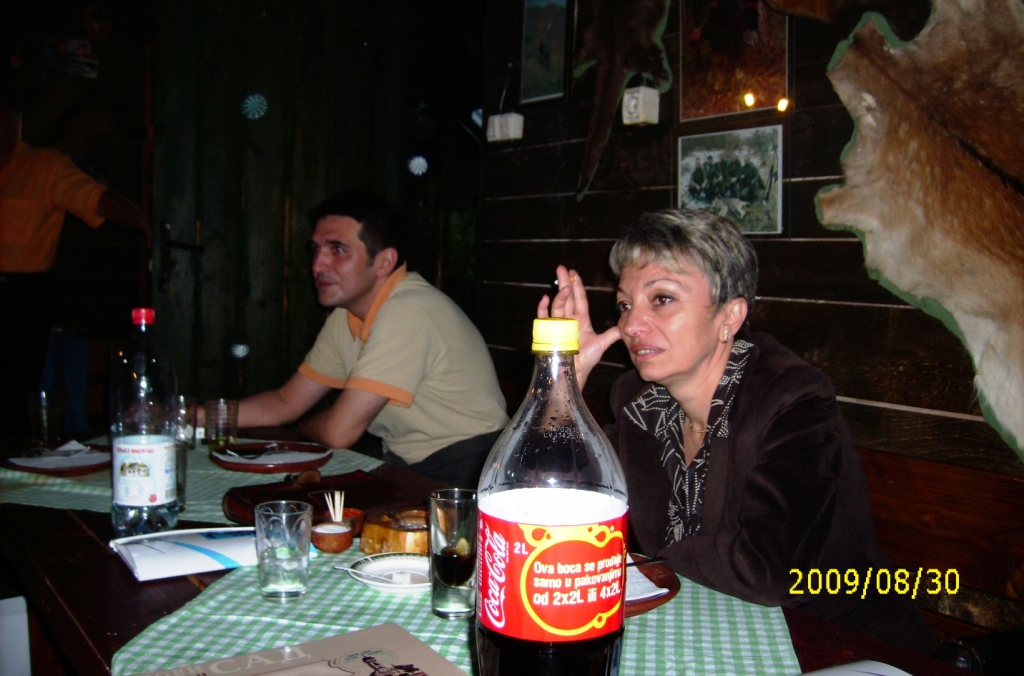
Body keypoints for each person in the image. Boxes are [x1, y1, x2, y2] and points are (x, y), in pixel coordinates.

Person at [537, 208, 938, 653]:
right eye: (625, 305)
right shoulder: (640, 405)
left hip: (841, 642)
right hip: (712, 629)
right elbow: (552, 503)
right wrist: (564, 382)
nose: (630, 325)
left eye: (662, 299)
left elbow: (771, 571)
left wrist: (657, 563)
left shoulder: (791, 400)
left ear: (730, 315)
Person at [237, 191, 508, 488]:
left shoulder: (409, 310)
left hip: (472, 470)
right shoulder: (346, 314)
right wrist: (203, 415)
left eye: (337, 250)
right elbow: (285, 402)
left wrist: (303, 427)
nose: (317, 265)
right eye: (315, 250)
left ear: (383, 263)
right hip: (408, 464)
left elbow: (338, 432)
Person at [0, 92, 149, 438]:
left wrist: (146, 224)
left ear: (13, 122)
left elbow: (98, 200)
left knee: (13, 394)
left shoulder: (45, 167)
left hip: (19, 298)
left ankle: (12, 461)